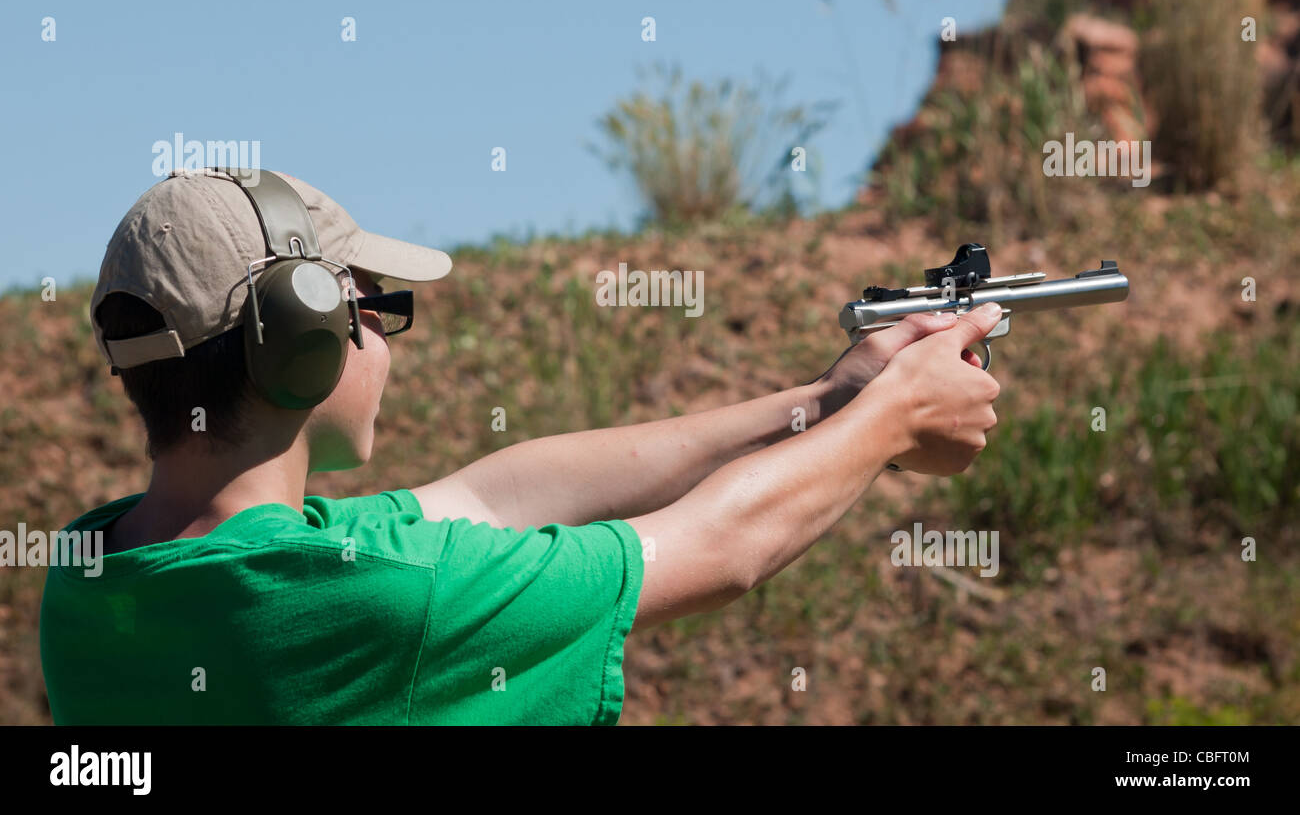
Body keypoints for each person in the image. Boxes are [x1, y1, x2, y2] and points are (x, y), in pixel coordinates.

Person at [39, 167, 1000, 725]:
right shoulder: (379, 600)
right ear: (300, 337)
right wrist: (899, 417)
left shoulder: (91, 582)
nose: (385, 334)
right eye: (372, 308)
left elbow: (492, 496)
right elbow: (717, 551)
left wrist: (823, 400)